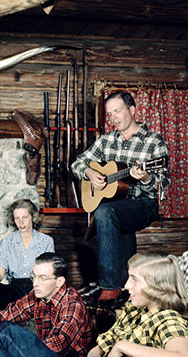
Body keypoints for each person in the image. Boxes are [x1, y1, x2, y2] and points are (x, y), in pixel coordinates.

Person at [70, 90, 170, 309]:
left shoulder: (154, 141)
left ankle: (109, 285)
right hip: (118, 205)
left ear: (132, 110)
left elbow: (163, 186)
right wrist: (89, 174)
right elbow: (77, 164)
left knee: (106, 213)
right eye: (110, 113)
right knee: (112, 214)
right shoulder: (106, 141)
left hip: (145, 204)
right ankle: (127, 285)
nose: (114, 117)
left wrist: (145, 177)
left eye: (118, 111)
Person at [86, 253, 188, 357]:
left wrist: (123, 346)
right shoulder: (134, 311)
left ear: (157, 286)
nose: (126, 286)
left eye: (134, 279)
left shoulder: (167, 318)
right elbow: (97, 349)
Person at [0, 253, 92, 357]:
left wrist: (17, 349)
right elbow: (2, 315)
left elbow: (58, 346)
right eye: (34, 276)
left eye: (43, 278)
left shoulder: (72, 304)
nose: (35, 283)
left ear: (59, 281)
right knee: (4, 327)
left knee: (10, 334)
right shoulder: (37, 296)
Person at [0, 197, 54, 323]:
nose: (21, 222)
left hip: (37, 289)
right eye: (17, 218)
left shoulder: (46, 241)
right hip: (14, 290)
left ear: (32, 217)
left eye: (25, 217)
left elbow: (49, 273)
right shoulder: (7, 242)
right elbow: (0, 273)